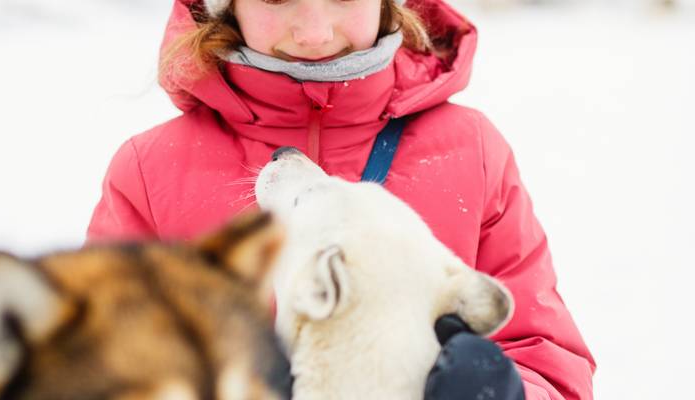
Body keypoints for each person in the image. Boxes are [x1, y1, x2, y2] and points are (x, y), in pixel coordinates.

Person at [87, 0, 596, 398]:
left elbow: (545, 358)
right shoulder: (151, 171)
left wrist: (505, 393)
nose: (315, 33)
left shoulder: (472, 152)